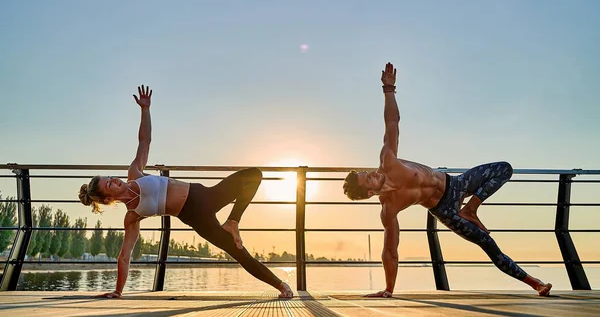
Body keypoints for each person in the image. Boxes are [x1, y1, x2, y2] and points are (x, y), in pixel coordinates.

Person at [342, 63, 552, 297]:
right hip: (446, 210)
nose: (371, 173)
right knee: (488, 244)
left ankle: (471, 209)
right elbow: (390, 250)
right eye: (367, 179)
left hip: (457, 184)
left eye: (366, 172)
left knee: (504, 169)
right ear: (370, 193)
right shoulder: (388, 208)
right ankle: (536, 284)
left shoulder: (388, 159)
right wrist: (389, 289)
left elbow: (392, 122)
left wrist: (389, 89)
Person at [78, 85, 293, 299]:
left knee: (253, 175)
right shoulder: (132, 216)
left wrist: (145, 109)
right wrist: (118, 291)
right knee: (237, 251)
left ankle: (233, 221)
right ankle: (282, 285)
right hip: (196, 217)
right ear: (108, 198)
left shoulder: (135, 173)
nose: (115, 180)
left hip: (205, 195)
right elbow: (124, 256)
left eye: (110, 178)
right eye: (110, 184)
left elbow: (145, 141)